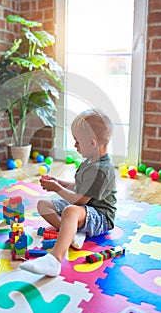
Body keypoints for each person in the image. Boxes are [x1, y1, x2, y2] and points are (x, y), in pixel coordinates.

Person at [20, 108, 117, 276]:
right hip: (84, 211)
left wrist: (57, 189)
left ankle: (55, 260)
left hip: (101, 216)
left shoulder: (101, 170)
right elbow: (79, 186)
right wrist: (59, 182)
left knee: (70, 211)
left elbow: (79, 201)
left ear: (92, 143)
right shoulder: (90, 161)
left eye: (77, 141)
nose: (75, 146)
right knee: (43, 205)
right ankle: (73, 233)